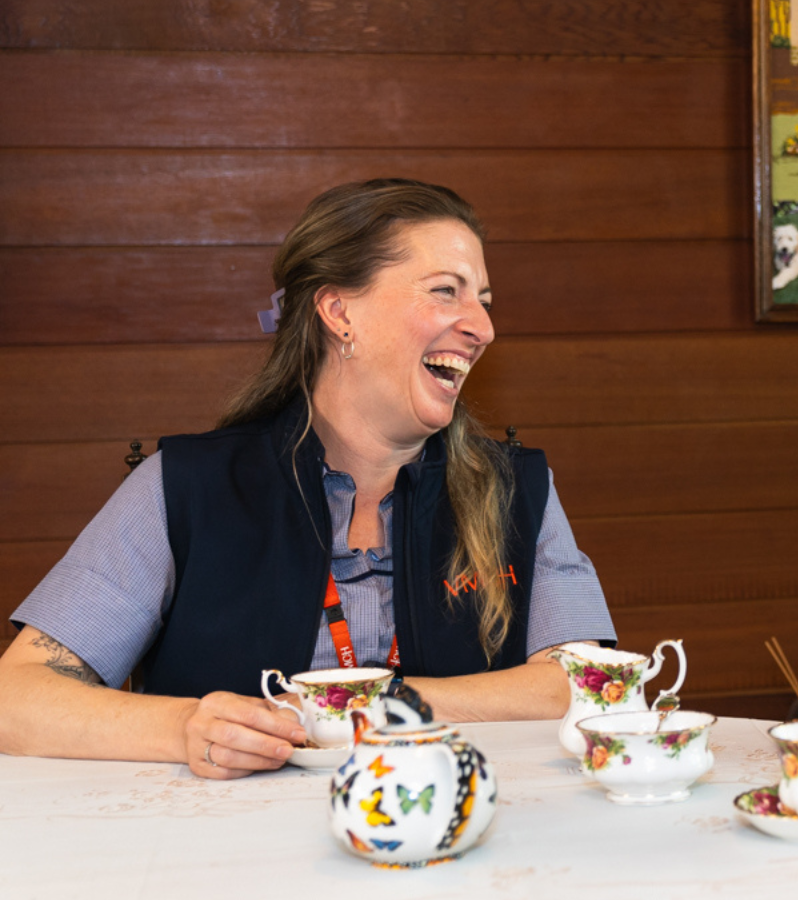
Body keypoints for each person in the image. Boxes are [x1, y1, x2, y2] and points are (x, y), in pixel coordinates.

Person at [0, 179, 617, 779]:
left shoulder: (518, 490)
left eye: (482, 301)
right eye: (445, 291)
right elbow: (16, 696)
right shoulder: (187, 486)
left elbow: (587, 684)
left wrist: (381, 703)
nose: (481, 328)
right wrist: (187, 727)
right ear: (339, 311)